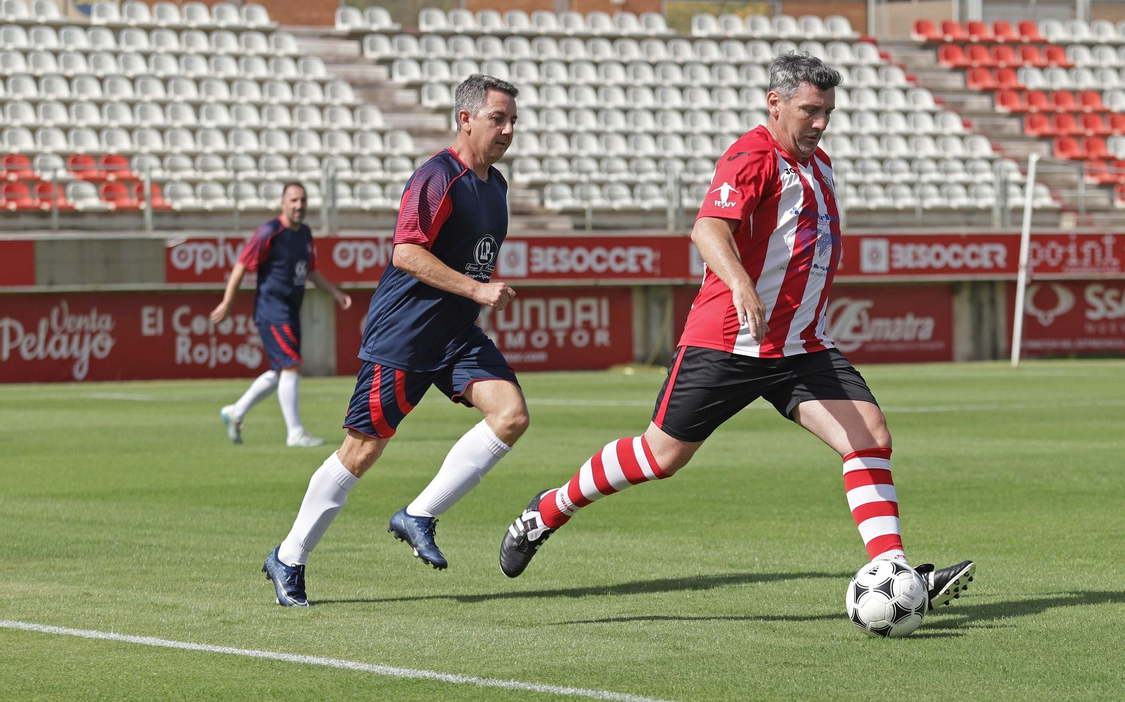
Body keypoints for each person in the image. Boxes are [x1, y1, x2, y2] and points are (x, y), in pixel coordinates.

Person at [495, 53, 976, 609]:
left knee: (869, 435)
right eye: (810, 110)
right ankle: (548, 510)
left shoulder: (820, 167)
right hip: (729, 341)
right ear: (775, 104)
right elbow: (707, 228)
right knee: (660, 458)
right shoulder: (752, 155)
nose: (820, 123)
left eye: (828, 112)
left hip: (800, 346)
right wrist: (743, 285)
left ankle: (895, 573)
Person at [263, 74, 526, 607]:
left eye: (513, 120)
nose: (508, 129)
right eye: (498, 118)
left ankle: (419, 514)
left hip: (455, 336)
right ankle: (288, 557)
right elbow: (406, 252)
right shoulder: (436, 177)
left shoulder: (495, 186)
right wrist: (477, 288)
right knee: (360, 452)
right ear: (466, 119)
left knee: (511, 415)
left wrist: (473, 299)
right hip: (403, 338)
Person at [214, 182, 352, 447]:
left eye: (302, 200)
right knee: (291, 365)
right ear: (283, 203)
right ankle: (295, 432)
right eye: (293, 201)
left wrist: (334, 292)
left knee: (281, 372)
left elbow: (309, 270)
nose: (299, 206)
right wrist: (227, 302)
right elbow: (242, 265)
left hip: (291, 309)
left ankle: (235, 412)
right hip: (271, 309)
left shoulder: (305, 234)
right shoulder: (269, 232)